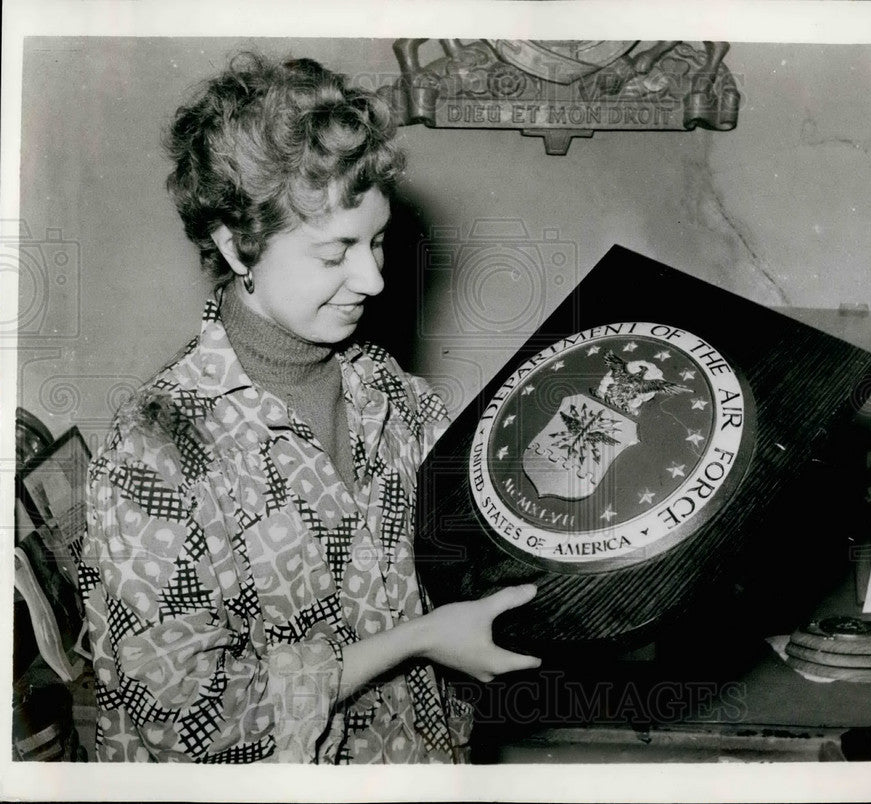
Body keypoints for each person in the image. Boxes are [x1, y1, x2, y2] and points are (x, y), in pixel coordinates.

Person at [78, 51, 540, 764]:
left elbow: (485, 525)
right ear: (237, 245)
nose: (375, 279)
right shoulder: (154, 451)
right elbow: (194, 718)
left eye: (379, 241)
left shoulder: (390, 395)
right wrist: (416, 641)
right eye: (335, 254)